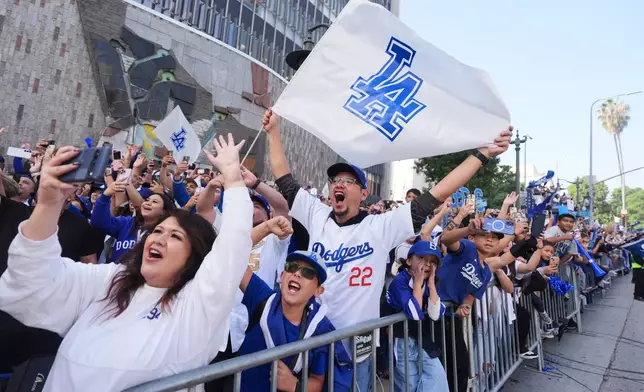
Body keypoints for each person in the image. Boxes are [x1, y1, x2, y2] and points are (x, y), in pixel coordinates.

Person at [263, 109, 513, 391]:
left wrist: (481, 154)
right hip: (312, 339)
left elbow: (438, 194)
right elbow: (284, 179)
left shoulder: (380, 227)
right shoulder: (316, 214)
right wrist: (273, 132)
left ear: (363, 192)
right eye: (335, 181)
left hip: (356, 350)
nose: (339, 185)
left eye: (348, 181)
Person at [0, 135, 259, 391]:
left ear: (196, 256)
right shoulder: (112, 280)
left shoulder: (196, 307)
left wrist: (233, 180)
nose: (159, 238)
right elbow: (31, 285)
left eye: (176, 236)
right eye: (157, 232)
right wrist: (49, 205)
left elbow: (233, 246)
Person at [238, 248, 352, 392]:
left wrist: (294, 385)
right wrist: (266, 228)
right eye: (291, 267)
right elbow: (234, 255)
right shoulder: (262, 299)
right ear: (281, 276)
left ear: (318, 291)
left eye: (308, 273)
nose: (297, 274)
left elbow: (318, 381)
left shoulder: (320, 328)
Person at [386, 241, 448, 392]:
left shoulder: (429, 282)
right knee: (409, 385)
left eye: (432, 261)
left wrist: (431, 285)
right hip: (400, 341)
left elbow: (436, 314)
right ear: (408, 261)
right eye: (421, 258)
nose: (426, 264)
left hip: (420, 338)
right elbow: (414, 313)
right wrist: (419, 282)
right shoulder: (400, 281)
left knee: (436, 376)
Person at [90, 180, 175, 263]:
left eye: (155, 202)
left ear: (163, 211)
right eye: (147, 200)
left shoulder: (164, 235)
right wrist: (106, 196)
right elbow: (99, 223)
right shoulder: (127, 222)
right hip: (117, 274)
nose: (148, 203)